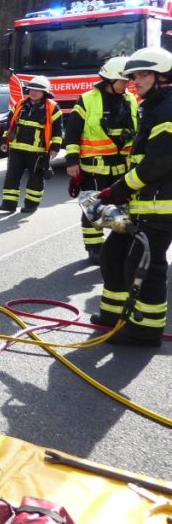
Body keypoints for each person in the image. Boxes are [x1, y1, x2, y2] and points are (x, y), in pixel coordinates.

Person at [93, 47, 172, 347]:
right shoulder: (152, 106)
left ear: (162, 77)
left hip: (161, 206)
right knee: (113, 256)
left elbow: (159, 162)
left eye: (142, 75)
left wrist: (119, 189)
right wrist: (122, 192)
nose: (135, 82)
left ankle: (146, 332)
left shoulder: (168, 109)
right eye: (133, 76)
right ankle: (113, 316)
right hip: (142, 203)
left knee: (147, 267)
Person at [64, 57, 138, 263]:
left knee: (122, 209)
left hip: (122, 166)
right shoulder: (87, 99)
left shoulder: (130, 99)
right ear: (110, 80)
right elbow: (72, 132)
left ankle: (119, 246)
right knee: (93, 209)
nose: (128, 84)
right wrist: (71, 161)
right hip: (94, 168)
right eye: (124, 81)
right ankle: (94, 248)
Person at [0, 76, 63, 214]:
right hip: (16, 149)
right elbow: (9, 125)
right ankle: (8, 204)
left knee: (35, 179)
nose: (33, 92)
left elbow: (58, 131)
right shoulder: (19, 105)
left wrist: (54, 148)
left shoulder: (52, 108)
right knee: (11, 176)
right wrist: (5, 141)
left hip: (38, 152)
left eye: (38, 91)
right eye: (32, 89)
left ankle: (31, 204)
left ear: (45, 92)